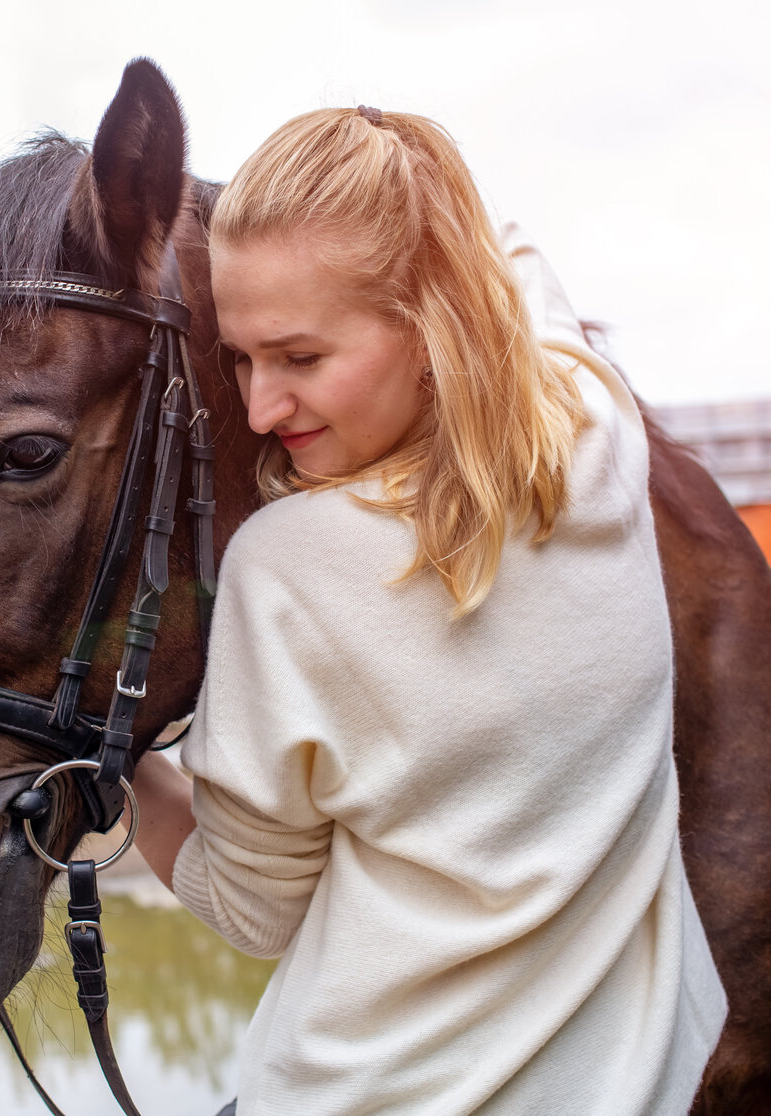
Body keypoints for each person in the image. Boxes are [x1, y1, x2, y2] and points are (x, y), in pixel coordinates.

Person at [131, 105, 727, 1115]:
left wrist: (122, 770)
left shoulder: (287, 568)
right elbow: (518, 259)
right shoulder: (597, 437)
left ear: (428, 322)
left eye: (300, 357)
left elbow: (250, 908)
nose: (262, 407)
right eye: (238, 358)